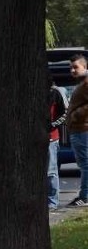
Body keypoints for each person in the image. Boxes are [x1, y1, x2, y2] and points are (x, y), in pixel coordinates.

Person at [65, 53, 88, 207]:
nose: (72, 70)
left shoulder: (86, 82)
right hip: (79, 129)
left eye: (75, 67)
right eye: (71, 68)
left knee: (85, 164)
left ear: (84, 67)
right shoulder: (82, 83)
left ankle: (84, 196)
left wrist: (75, 115)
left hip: (82, 129)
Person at [48, 78, 67, 209]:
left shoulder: (56, 92)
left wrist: (52, 125)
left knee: (51, 171)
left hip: (51, 138)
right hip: (34, 139)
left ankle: (52, 202)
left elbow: (65, 112)